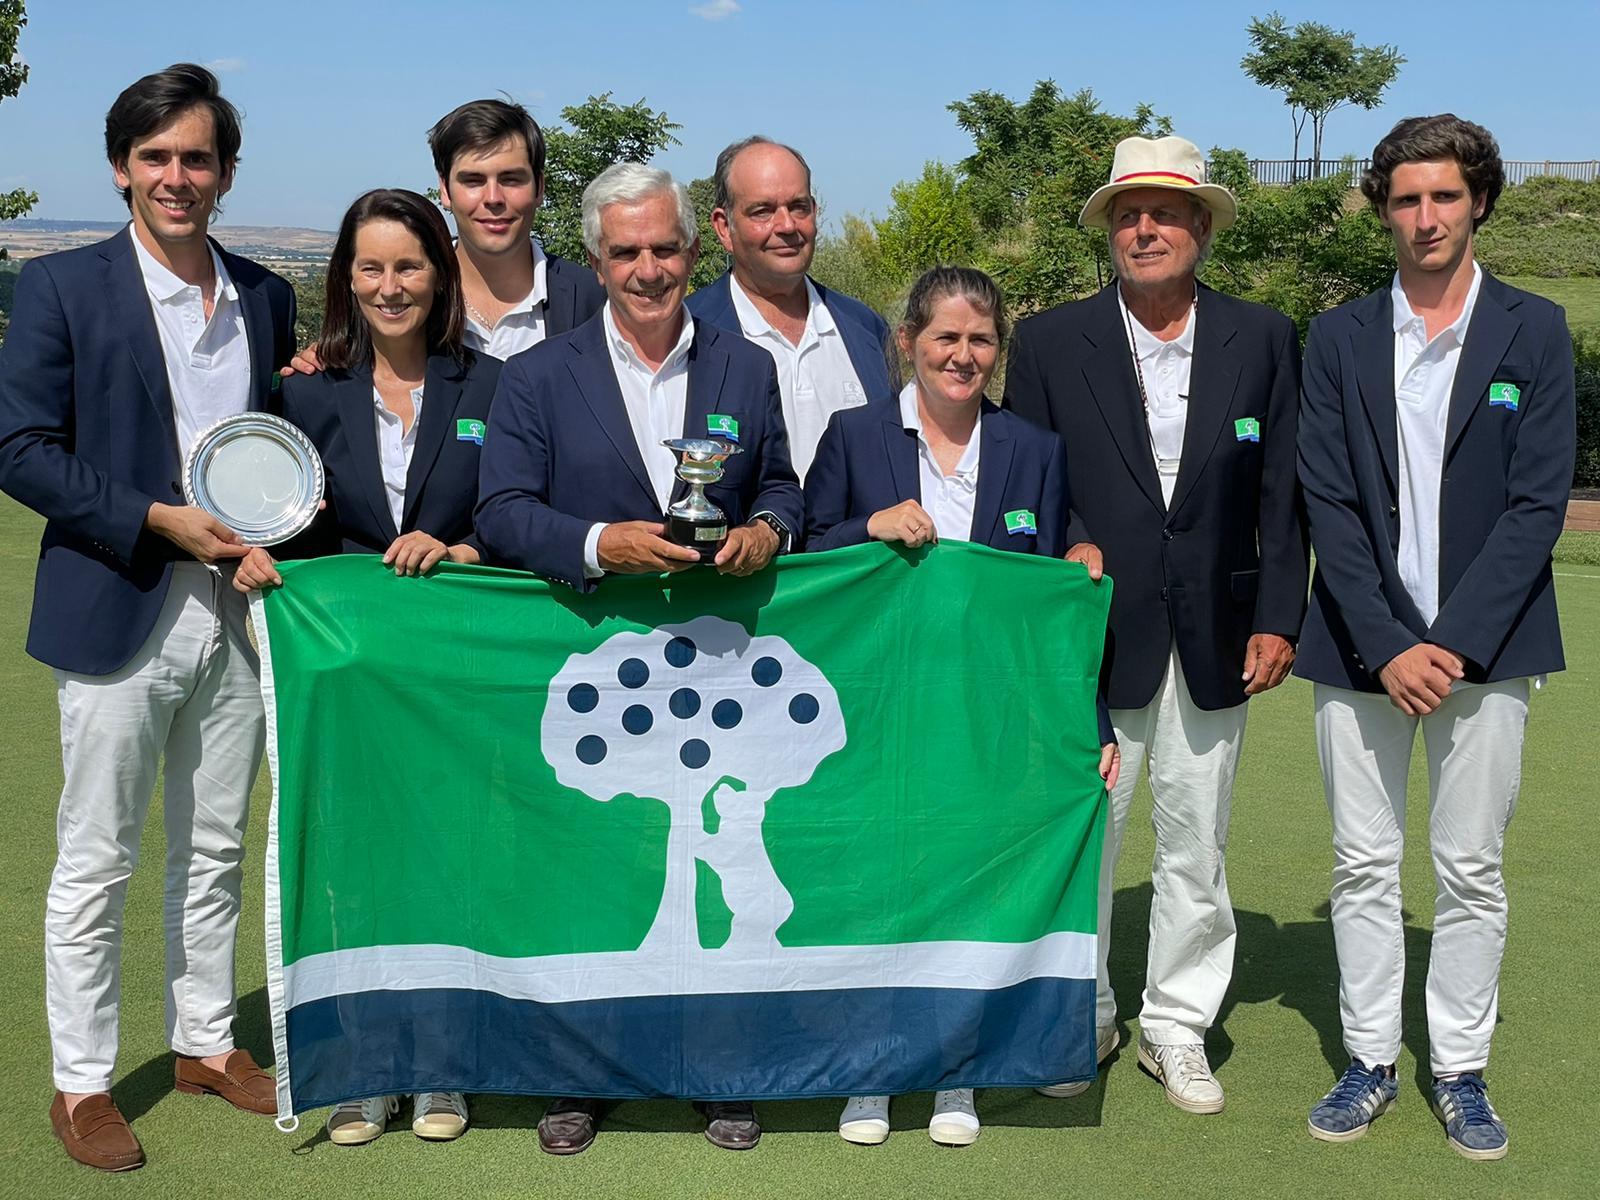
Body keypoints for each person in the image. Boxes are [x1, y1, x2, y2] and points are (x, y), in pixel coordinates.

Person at [0, 64, 297, 1172]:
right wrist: (159, 519)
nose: (178, 177)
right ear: (122, 167)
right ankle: (80, 1082)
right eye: (157, 156)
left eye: (198, 158)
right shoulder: (62, 287)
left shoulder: (267, 295)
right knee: (98, 855)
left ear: (225, 173)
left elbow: (279, 452)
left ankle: (204, 1043)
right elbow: (19, 449)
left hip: (239, 614)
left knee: (214, 845)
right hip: (116, 600)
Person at [475, 163, 803, 1151]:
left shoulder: (747, 367)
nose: (648, 268)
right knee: (598, 878)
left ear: (693, 250)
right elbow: (499, 515)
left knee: (707, 866)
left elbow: (785, 484)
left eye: (663, 248)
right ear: (596, 260)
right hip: (598, 672)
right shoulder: (537, 374)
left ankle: (713, 1068)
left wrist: (766, 529)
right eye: (626, 252)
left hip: (715, 674)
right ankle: (579, 1077)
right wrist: (597, 545)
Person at [1005, 135, 1306, 1114]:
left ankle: (1174, 1026)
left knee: (1195, 841)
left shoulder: (1260, 337)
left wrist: (1275, 615)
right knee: (1091, 833)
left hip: (1217, 633)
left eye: (1165, 213)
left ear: (1202, 227)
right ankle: (1080, 1016)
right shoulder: (1050, 341)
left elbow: (1280, 492)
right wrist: (1070, 543)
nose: (1144, 229)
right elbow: (1031, 481)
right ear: (1109, 230)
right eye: (1127, 214)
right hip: (1089, 632)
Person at [1296, 115, 1573, 1161]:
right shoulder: (1335, 336)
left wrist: (1448, 644)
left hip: (1489, 650)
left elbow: (1535, 507)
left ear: (1479, 201)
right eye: (1405, 199)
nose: (1424, 217)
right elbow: (1326, 499)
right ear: (1382, 209)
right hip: (1359, 647)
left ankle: (1457, 1068)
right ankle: (1368, 1059)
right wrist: (1386, 639)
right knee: (1362, 862)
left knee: (1468, 867)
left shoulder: (1534, 330)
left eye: (1444, 196)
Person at [806, 265, 1121, 1147]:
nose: (963, 355)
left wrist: (1089, 725)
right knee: (877, 884)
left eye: (981, 340)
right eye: (945, 336)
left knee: (968, 889)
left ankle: (958, 1070)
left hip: (990, 719)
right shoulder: (854, 435)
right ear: (909, 341)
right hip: (875, 709)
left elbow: (1055, 606)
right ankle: (868, 1070)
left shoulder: (1033, 448)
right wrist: (864, 528)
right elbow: (802, 555)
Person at [235, 187, 499, 1143]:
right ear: (348, 277)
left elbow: (513, 515)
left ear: (441, 273)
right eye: (373, 267)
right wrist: (255, 553)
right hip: (346, 685)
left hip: (454, 681)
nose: (392, 286)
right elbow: (280, 522)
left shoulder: (495, 386)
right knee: (356, 863)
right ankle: (363, 1070)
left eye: (411, 266)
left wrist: (466, 551)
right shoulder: (299, 393)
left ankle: (441, 1068)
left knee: (449, 862)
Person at [287, 98, 603, 374]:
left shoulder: (595, 300)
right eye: (473, 180)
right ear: (445, 190)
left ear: (540, 188)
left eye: (511, 179)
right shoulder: (400, 298)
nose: (493, 198)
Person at [687, 136, 896, 480]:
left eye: (798, 207)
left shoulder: (865, 328)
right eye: (763, 211)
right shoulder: (691, 333)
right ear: (724, 227)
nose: (786, 226)